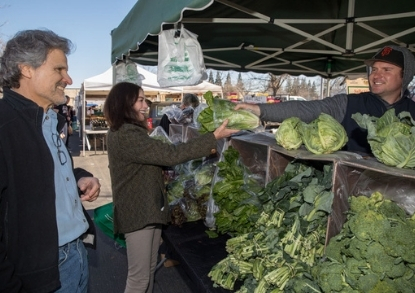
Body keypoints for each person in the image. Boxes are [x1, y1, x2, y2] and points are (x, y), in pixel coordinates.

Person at [103, 82, 238, 293]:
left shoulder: (126, 131)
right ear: (124, 104)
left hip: (147, 208)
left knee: (147, 272)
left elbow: (150, 160)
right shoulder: (126, 134)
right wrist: (214, 137)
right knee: (139, 279)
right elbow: (171, 154)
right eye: (139, 100)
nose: (145, 104)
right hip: (138, 211)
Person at [0, 29, 101, 293]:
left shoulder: (47, 120)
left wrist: (79, 176)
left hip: (76, 256)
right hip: (36, 274)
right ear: (26, 69)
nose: (68, 78)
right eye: (59, 69)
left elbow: (40, 171)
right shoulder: (5, 126)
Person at [235, 45, 415, 156]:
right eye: (374, 69)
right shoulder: (349, 103)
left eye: (387, 70)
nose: (376, 75)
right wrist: (258, 109)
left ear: (405, 76)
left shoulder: (412, 112)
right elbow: (306, 109)